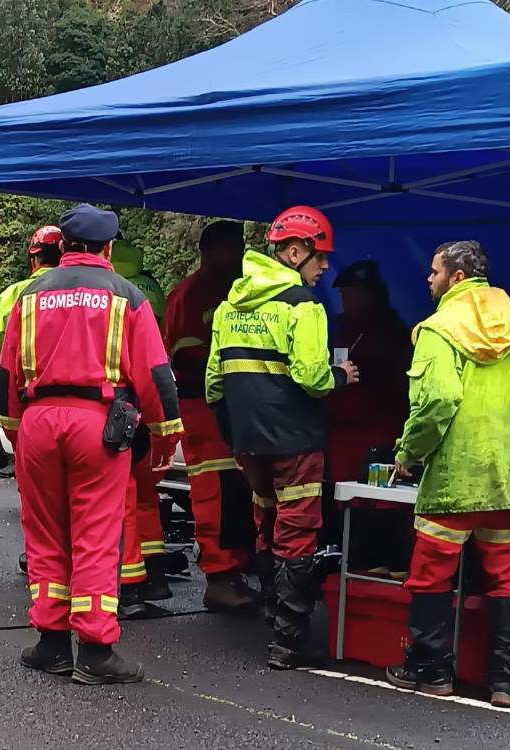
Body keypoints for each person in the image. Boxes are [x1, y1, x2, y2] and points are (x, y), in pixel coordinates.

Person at [0, 204, 182, 685]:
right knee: (96, 536)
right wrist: (166, 435)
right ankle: (97, 651)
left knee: (45, 533)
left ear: (62, 246)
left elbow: (6, 374)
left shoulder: (29, 295)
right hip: (98, 425)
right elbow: (156, 375)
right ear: (108, 248)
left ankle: (52, 643)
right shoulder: (127, 296)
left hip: (38, 421)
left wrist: (16, 433)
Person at [205, 205, 359, 669]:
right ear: (294, 252)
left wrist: (234, 434)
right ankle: (289, 640)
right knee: (298, 532)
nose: (326, 267)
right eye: (320, 256)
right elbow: (312, 376)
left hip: (248, 441)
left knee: (266, 523)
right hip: (295, 440)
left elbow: (214, 383)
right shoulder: (302, 306)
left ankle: (274, 615)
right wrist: (341, 375)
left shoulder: (230, 306)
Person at [386, 241, 510, 708]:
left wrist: (408, 452)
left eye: (434, 272)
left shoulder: (438, 329)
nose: (427, 279)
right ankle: (505, 683)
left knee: (431, 576)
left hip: (454, 477)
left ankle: (433, 673)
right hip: (507, 476)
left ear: (457, 277)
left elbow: (437, 401)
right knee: (506, 578)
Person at [165, 220, 260, 611]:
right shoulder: (189, 295)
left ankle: (238, 566)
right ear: (211, 250)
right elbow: (183, 353)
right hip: (202, 405)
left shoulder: (237, 291)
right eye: (233, 247)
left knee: (237, 488)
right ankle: (220, 577)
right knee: (215, 491)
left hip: (234, 406)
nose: (240, 255)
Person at [327, 260, 414, 573]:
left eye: (351, 294)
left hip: (378, 433)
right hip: (343, 436)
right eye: (343, 294)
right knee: (346, 502)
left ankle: (379, 563)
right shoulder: (342, 330)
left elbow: (389, 388)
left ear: (371, 294)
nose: (345, 300)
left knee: (379, 501)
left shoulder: (390, 333)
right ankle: (349, 562)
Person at [0, 224, 63, 571]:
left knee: (38, 492)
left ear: (33, 258)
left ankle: (40, 558)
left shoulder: (17, 294)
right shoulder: (92, 288)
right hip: (88, 408)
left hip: (32, 405)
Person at [112, 240, 174, 605]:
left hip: (115, 409)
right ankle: (156, 573)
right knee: (146, 496)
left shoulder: (104, 291)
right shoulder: (147, 288)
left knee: (123, 498)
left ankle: (130, 583)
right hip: (145, 407)